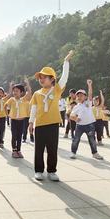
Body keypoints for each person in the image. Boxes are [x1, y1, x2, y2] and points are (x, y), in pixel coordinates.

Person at [29, 50, 74, 181]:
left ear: (52, 79)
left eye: (44, 77)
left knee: (52, 149)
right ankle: (38, 170)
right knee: (39, 149)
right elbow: (34, 108)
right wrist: (31, 122)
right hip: (40, 124)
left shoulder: (57, 89)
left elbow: (64, 77)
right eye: (40, 78)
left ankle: (51, 171)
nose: (41, 79)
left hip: (53, 123)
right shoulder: (37, 93)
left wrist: (66, 62)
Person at [69, 80, 103, 160]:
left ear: (85, 96)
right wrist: (76, 118)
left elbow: (90, 93)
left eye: (81, 95)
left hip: (90, 125)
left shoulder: (88, 103)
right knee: (76, 139)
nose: (79, 97)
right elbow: (71, 116)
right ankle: (73, 152)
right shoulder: (76, 106)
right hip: (79, 126)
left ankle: (95, 153)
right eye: (78, 95)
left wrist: (89, 85)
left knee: (92, 140)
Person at [6, 78, 32, 158]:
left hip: (22, 121)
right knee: (14, 136)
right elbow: (5, 105)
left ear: (21, 92)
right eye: (14, 91)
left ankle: (19, 150)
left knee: (19, 136)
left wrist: (27, 84)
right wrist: (7, 114)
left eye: (17, 91)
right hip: (14, 121)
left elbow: (30, 93)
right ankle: (14, 151)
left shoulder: (24, 100)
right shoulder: (11, 100)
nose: (15, 92)